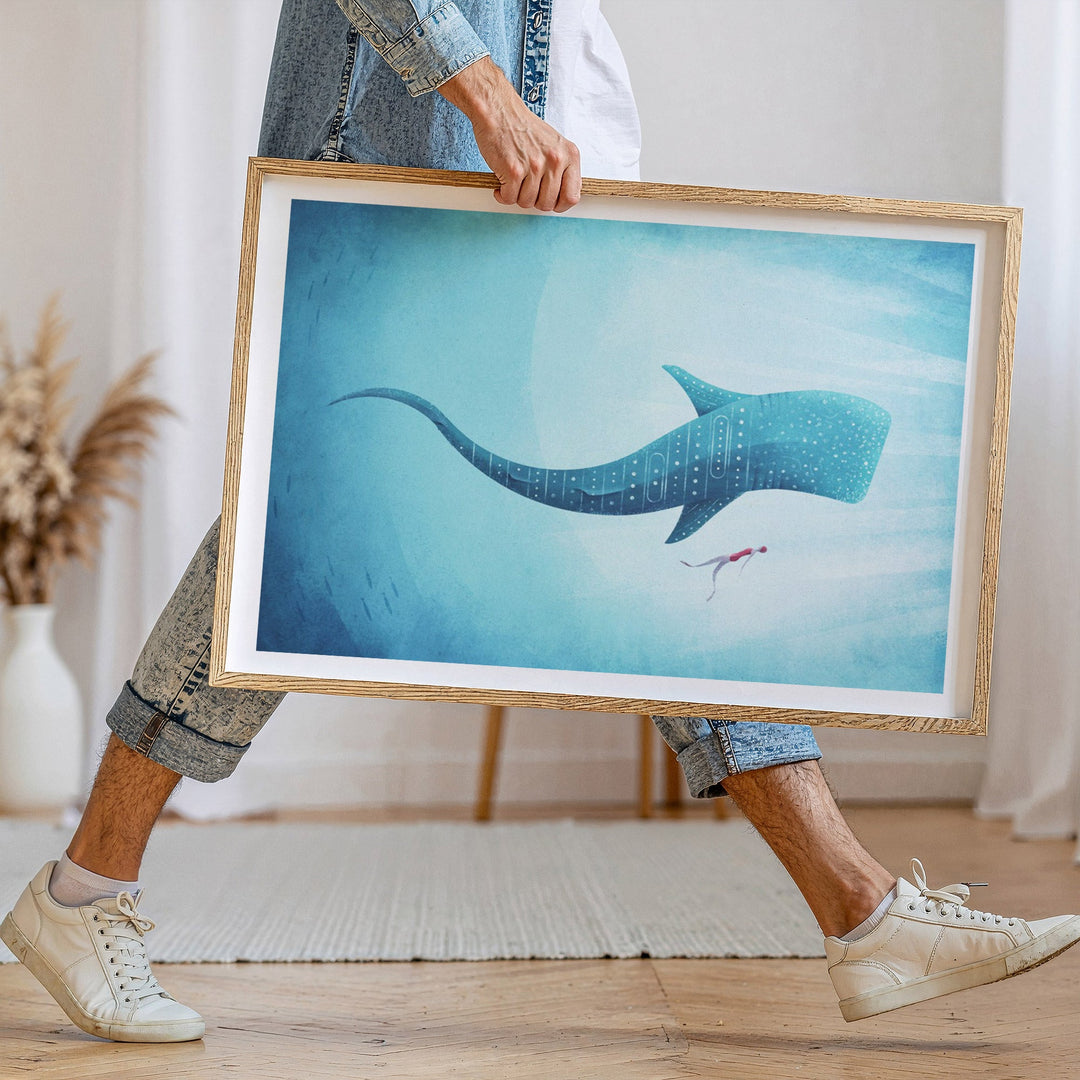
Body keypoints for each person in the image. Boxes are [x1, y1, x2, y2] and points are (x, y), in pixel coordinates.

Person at [3, 0, 1078, 1045]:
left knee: (525, 537)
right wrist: (478, 90)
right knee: (294, 553)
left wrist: (547, 118)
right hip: (413, 155)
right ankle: (864, 913)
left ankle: (863, 912)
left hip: (524, 170)